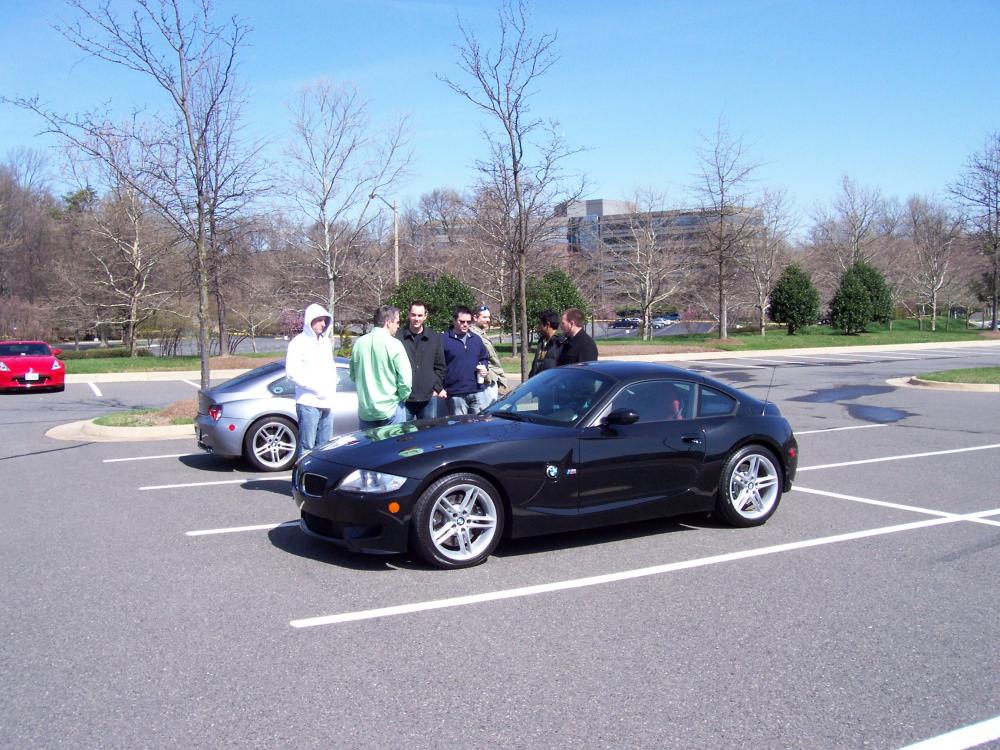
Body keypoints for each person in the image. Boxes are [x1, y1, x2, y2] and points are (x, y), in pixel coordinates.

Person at [285, 302, 337, 459]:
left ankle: (320, 482)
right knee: (307, 448)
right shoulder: (298, 343)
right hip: (308, 403)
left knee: (326, 447)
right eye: (319, 320)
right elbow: (292, 373)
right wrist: (315, 388)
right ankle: (302, 481)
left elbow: (329, 368)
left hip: (327, 403)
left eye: (325, 320)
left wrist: (330, 389)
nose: (323, 324)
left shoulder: (326, 343)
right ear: (310, 320)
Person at [349, 305, 412, 429]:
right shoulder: (395, 344)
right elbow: (405, 381)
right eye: (397, 322)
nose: (399, 326)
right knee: (395, 447)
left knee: (370, 449)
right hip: (391, 409)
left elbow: (352, 375)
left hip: (366, 410)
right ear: (388, 323)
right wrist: (401, 398)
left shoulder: (359, 344)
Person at [396, 300, 446, 420]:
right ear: (408, 314)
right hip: (405, 398)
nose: (416, 318)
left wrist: (436, 388)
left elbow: (440, 366)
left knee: (427, 436)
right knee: (403, 436)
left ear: (425, 316)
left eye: (420, 315)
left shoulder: (434, 338)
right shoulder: (398, 337)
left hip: (428, 398)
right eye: (413, 315)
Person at [441, 305, 488, 415]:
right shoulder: (443, 339)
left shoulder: (476, 339)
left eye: (468, 321)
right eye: (462, 321)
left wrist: (484, 367)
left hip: (477, 390)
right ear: (454, 320)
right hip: (456, 393)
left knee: (478, 427)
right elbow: (438, 365)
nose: (466, 324)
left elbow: (484, 357)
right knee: (460, 427)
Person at [470, 305, 506, 409]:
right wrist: (489, 376)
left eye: (489, 317)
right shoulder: (473, 335)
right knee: (486, 417)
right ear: (475, 317)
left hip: (491, 380)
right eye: (485, 317)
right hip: (485, 383)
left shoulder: (481, 333)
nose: (488, 320)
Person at [529, 309, 566, 378]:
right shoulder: (541, 341)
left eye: (540, 323)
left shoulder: (561, 343)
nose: (538, 326)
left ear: (547, 324)